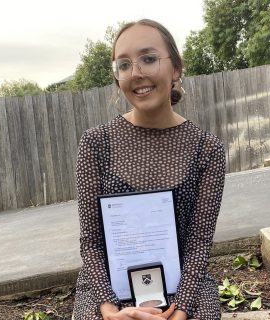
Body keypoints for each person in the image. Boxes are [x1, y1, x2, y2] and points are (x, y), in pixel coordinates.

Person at [73, 19, 226, 320]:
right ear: (118, 78)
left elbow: (198, 245)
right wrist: (108, 309)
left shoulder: (206, 149)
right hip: (107, 285)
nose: (137, 73)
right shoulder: (95, 144)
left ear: (176, 68)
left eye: (149, 58)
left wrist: (181, 310)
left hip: (184, 283)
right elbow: (90, 242)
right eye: (124, 64)